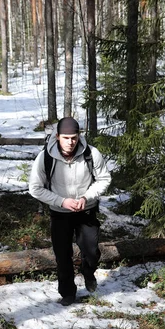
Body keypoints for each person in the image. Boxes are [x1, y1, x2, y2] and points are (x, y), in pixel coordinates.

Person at [29, 117, 111, 306]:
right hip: (59, 213)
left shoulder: (91, 153)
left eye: (74, 137)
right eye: (66, 137)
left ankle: (88, 272)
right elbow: (35, 188)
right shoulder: (45, 157)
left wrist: (86, 198)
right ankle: (67, 293)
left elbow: (104, 179)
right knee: (62, 255)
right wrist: (62, 201)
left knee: (91, 252)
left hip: (86, 210)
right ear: (57, 136)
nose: (70, 142)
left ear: (79, 136)